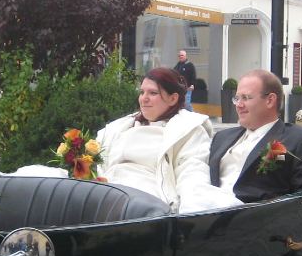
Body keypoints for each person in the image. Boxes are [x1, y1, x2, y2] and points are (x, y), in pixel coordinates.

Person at [97, 67, 239, 213]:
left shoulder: (188, 130)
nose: (144, 98)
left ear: (173, 99)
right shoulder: (120, 127)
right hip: (103, 196)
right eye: (142, 92)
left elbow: (192, 173)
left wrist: (192, 214)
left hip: (143, 205)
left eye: (153, 93)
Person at [210, 69, 302, 202]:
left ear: (270, 100)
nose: (239, 105)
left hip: (250, 212)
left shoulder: (299, 139)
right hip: (202, 207)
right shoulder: (221, 137)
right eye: (237, 98)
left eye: (246, 98)